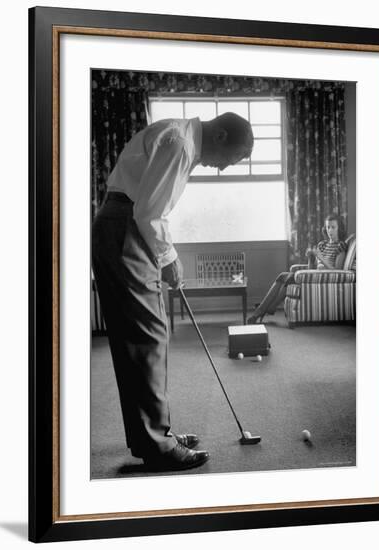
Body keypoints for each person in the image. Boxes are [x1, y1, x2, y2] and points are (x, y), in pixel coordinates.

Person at [92, 113, 254, 472]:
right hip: (125, 229)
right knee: (147, 337)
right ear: (221, 135)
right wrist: (170, 259)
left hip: (120, 226)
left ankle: (153, 436)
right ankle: (157, 446)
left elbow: (149, 207)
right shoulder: (181, 144)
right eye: (233, 158)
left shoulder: (180, 136)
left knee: (142, 338)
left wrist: (164, 256)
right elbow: (149, 213)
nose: (226, 168)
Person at [247, 214, 347, 324]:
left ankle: (262, 310)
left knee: (288, 276)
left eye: (333, 227)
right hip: (313, 277)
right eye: (328, 227)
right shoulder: (322, 245)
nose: (330, 230)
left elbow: (337, 270)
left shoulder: (341, 246)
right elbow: (311, 268)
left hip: (326, 278)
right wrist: (310, 258)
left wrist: (321, 257)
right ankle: (268, 308)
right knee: (284, 276)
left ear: (339, 228)